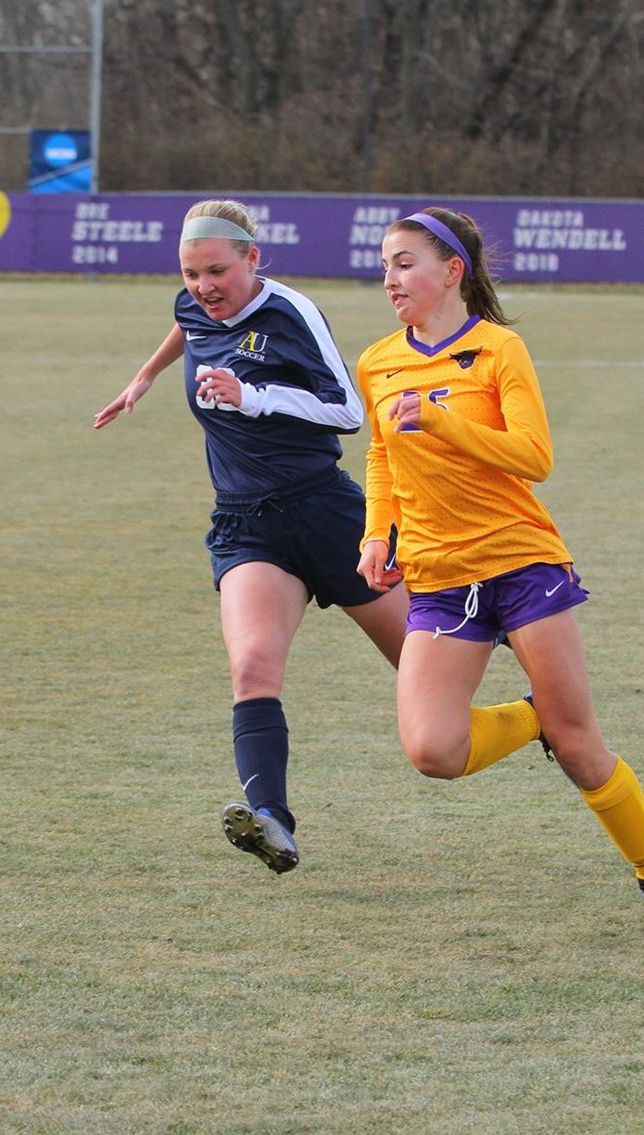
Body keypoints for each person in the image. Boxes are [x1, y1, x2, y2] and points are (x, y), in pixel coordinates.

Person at [353, 207, 644, 937]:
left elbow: (535, 457)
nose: (389, 279)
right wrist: (375, 534)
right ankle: (535, 715)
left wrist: (443, 420)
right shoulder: (378, 360)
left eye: (404, 263)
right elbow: (381, 455)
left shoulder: (499, 350)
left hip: (520, 562)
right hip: (440, 576)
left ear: (453, 272)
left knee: (580, 748)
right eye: (384, 265)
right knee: (433, 751)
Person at [95, 199, 431, 876]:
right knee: (252, 667)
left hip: (327, 516)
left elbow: (347, 411)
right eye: (190, 273)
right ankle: (273, 818)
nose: (203, 287)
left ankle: (533, 718)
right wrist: (147, 375)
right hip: (246, 523)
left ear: (252, 259)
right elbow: (183, 324)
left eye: (217, 270)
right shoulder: (195, 305)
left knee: (428, 689)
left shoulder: (291, 314)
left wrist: (252, 397)